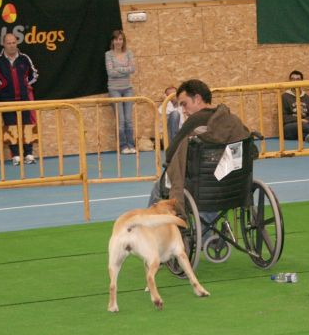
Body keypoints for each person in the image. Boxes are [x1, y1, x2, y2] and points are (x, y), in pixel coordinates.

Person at [149, 79, 250, 217]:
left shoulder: (195, 121)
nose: (183, 111)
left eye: (184, 104)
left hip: (202, 188)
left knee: (158, 187)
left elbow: (170, 154)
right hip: (232, 185)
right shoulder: (232, 120)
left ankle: (153, 231)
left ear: (197, 99)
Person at [0, 32, 38, 166]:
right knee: (10, 127)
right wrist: (0, 89)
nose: (11, 45)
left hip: (24, 98)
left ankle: (29, 154)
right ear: (4, 44)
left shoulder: (24, 59)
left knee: (27, 126)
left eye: (13, 42)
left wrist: (26, 84)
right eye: (8, 43)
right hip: (6, 100)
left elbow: (34, 74)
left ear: (17, 43)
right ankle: (15, 156)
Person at [105, 30, 136, 154]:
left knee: (128, 119)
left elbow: (132, 69)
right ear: (112, 41)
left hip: (127, 88)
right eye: (116, 39)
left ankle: (131, 145)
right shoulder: (108, 54)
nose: (118, 42)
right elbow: (110, 72)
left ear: (123, 41)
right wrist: (125, 70)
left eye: (121, 39)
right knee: (121, 120)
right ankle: (123, 146)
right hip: (114, 89)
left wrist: (118, 68)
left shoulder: (129, 53)